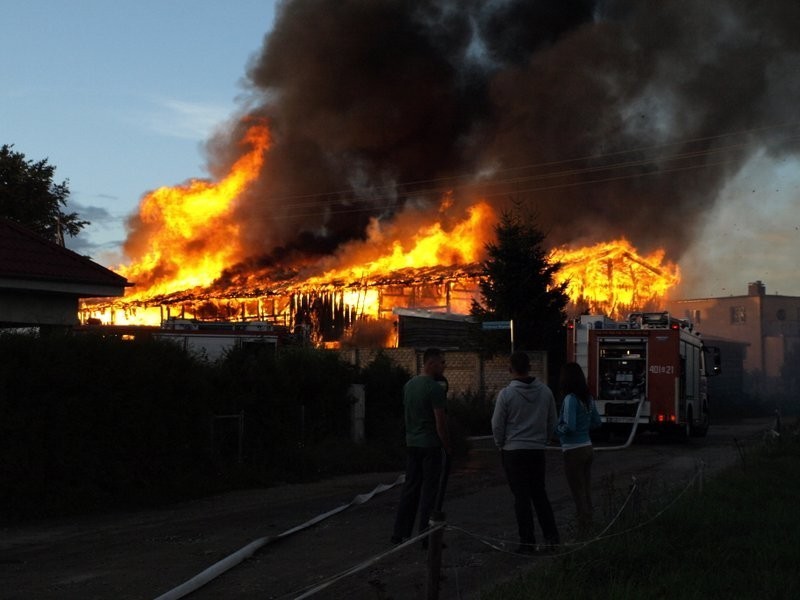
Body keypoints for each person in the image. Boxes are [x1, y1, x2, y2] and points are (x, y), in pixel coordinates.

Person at [491, 351, 560, 554]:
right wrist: (545, 439)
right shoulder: (545, 392)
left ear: (510, 369)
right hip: (537, 450)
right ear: (530, 367)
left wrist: (500, 443)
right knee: (539, 494)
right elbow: (552, 421)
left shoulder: (506, 395)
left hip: (513, 451)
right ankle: (551, 537)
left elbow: (497, 424)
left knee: (521, 497)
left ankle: (527, 541)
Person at [391, 348, 452, 546]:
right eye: (442, 362)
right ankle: (426, 536)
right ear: (431, 363)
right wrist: (448, 447)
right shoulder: (435, 389)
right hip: (430, 446)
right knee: (429, 492)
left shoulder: (409, 385)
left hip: (412, 444)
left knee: (410, 488)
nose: (444, 366)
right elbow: (440, 424)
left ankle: (400, 533)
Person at [556, 361, 602, 536]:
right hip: (588, 447)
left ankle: (583, 531)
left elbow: (569, 426)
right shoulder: (588, 398)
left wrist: (556, 431)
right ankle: (589, 524)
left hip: (573, 449)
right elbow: (597, 423)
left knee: (577, 492)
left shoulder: (570, 399)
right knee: (586, 489)